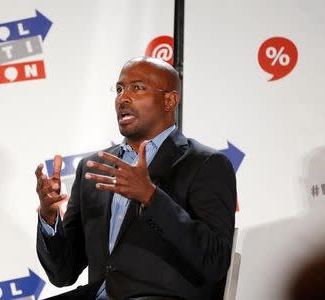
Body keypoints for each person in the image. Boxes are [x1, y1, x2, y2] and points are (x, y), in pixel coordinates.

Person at [35, 57, 236, 300]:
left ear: (169, 100)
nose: (123, 98)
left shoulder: (205, 164)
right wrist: (49, 217)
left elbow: (215, 260)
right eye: (119, 89)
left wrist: (151, 196)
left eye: (137, 87)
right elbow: (62, 273)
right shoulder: (94, 169)